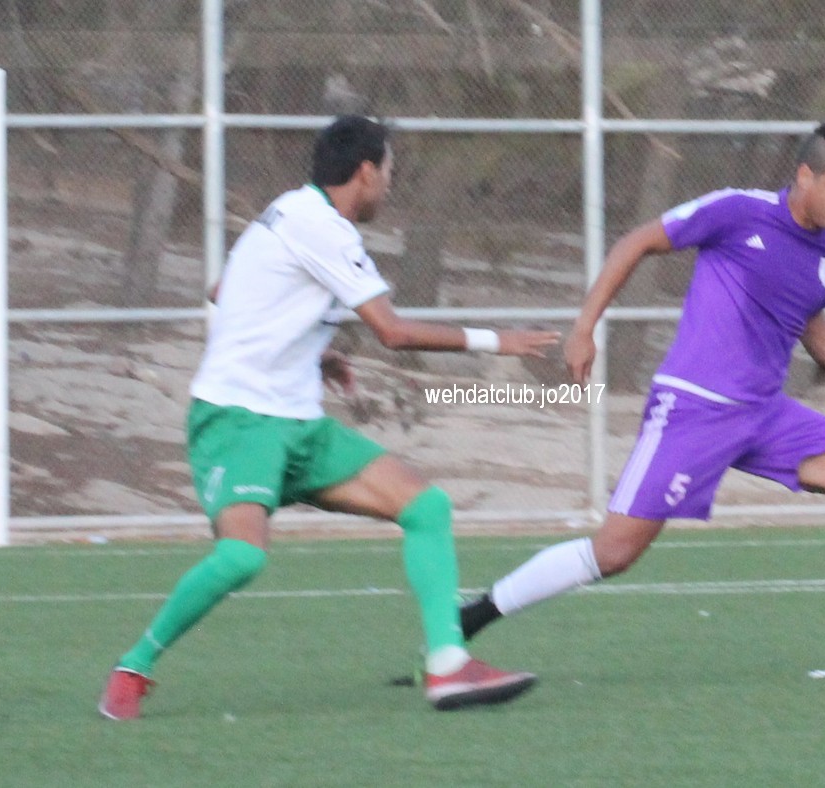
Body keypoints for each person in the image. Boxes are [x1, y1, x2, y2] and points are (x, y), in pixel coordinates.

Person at [459, 121, 825, 680]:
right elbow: (636, 242)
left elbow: (807, 314)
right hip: (694, 409)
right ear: (805, 176)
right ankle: (462, 624)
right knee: (614, 553)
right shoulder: (737, 211)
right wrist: (584, 327)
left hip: (766, 414)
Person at [99, 115, 558, 719]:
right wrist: (497, 341)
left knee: (426, 507)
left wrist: (314, 352)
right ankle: (133, 668)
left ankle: (448, 666)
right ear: (365, 172)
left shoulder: (288, 210)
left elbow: (223, 290)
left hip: (298, 425)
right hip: (238, 421)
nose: (389, 185)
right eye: (388, 171)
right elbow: (393, 332)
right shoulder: (324, 230)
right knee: (242, 557)